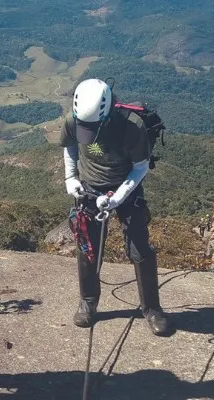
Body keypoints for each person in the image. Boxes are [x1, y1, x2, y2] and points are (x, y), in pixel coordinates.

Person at [60, 78, 170, 336]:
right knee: (88, 247)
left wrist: (118, 197)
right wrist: (70, 178)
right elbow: (71, 148)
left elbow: (140, 167)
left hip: (126, 191)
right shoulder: (73, 120)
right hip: (89, 189)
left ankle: (151, 308)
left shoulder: (131, 128)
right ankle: (88, 302)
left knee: (139, 247)